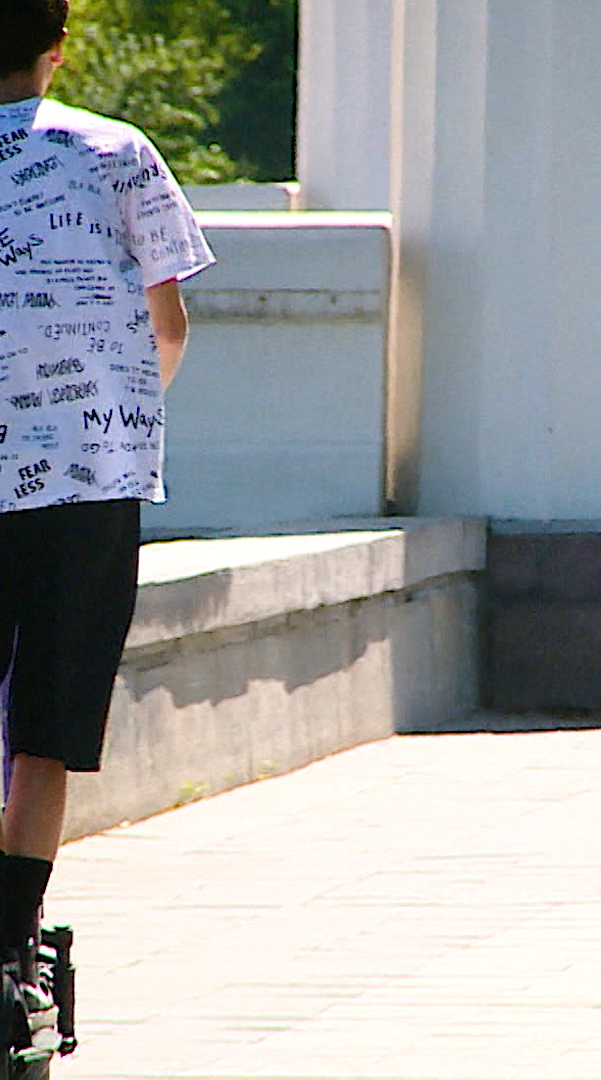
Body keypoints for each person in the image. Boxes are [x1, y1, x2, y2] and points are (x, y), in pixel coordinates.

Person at [0, 0, 214, 1048]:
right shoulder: (116, 152)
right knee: (48, 725)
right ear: (55, 47)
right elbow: (167, 323)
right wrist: (115, 419)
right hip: (85, 479)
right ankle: (11, 944)